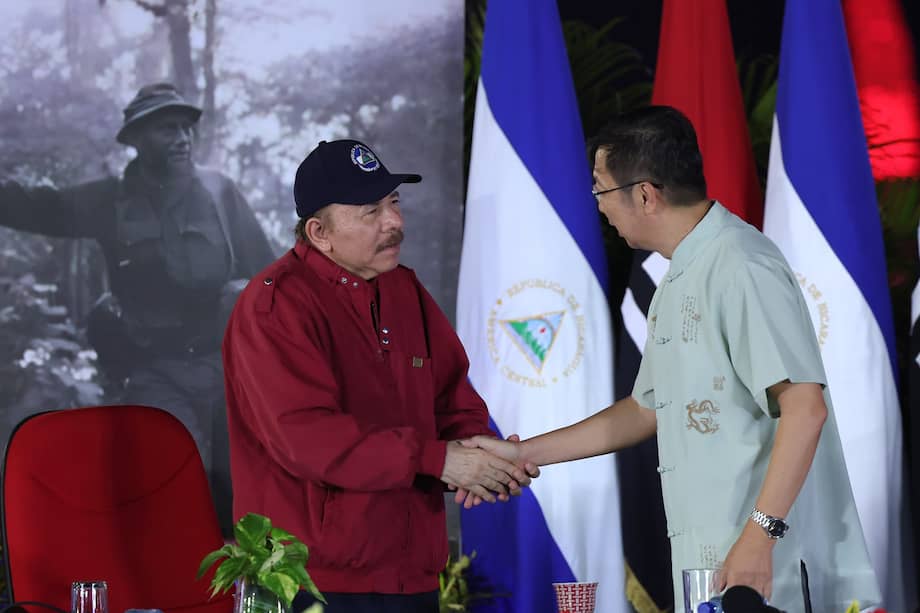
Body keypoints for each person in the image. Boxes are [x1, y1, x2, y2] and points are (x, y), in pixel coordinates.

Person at [461, 106, 881, 612]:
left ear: (644, 193)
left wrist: (759, 537)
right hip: (709, 565)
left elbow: (805, 408)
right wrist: (523, 454)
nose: (599, 207)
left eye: (601, 190)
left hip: (765, 568)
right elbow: (646, 409)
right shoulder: (682, 273)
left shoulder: (741, 264)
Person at [222, 139, 538, 613]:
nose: (395, 223)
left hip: (409, 577)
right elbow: (309, 437)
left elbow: (453, 397)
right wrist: (440, 460)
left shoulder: (404, 289)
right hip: (309, 581)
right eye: (371, 211)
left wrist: (480, 458)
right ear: (318, 232)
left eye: (394, 203)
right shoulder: (275, 304)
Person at [0, 82, 275, 533]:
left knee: (245, 495)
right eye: (167, 129)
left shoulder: (220, 193)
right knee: (174, 484)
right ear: (138, 138)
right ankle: (178, 595)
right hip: (155, 371)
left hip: (229, 369)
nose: (182, 138)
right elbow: (38, 208)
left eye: (186, 128)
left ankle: (246, 599)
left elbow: (270, 278)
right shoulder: (108, 201)